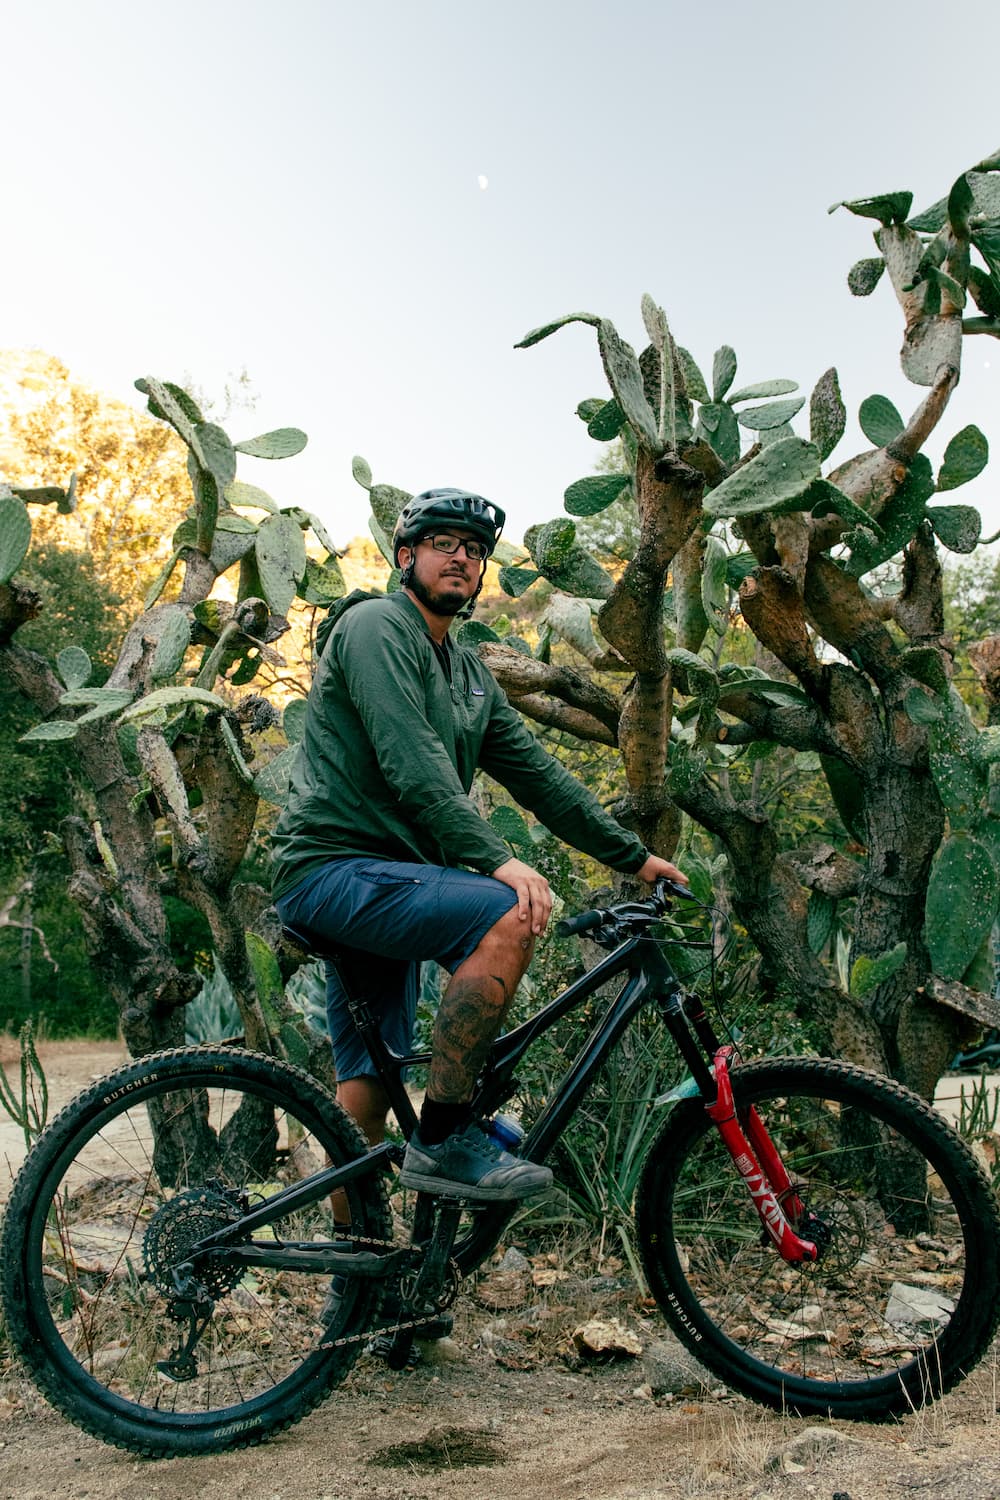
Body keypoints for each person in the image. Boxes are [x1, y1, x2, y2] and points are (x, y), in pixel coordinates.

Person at [271, 487, 686, 1206]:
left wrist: (632, 856)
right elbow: (411, 760)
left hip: (391, 885)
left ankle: (360, 1284)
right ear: (407, 556)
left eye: (475, 550)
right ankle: (445, 1136)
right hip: (332, 871)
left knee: (364, 1102)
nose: (461, 557)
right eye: (443, 544)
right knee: (506, 912)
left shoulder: (466, 670)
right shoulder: (375, 626)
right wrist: (499, 859)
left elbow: (539, 777)